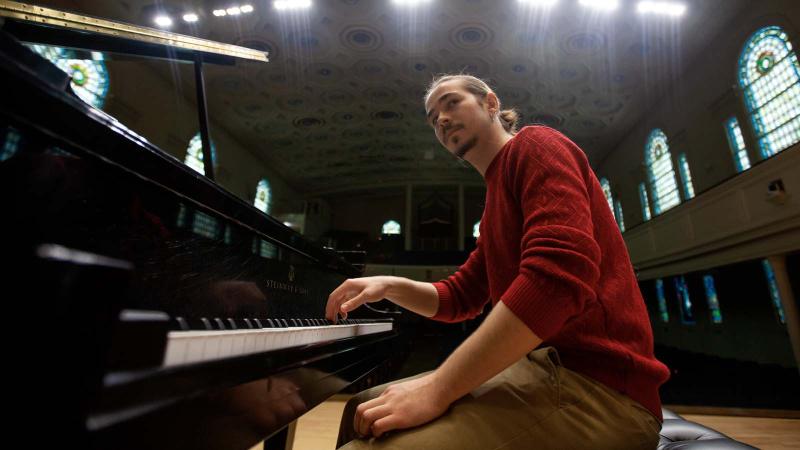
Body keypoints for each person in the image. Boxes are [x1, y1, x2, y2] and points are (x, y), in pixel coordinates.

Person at [325, 74, 670, 449]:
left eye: (451, 102)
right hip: (539, 369)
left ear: (491, 103)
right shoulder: (493, 207)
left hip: (603, 390)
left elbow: (556, 281)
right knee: (362, 405)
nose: (440, 118)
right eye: (432, 116)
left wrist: (439, 388)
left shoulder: (536, 145)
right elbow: (459, 298)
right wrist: (389, 285)